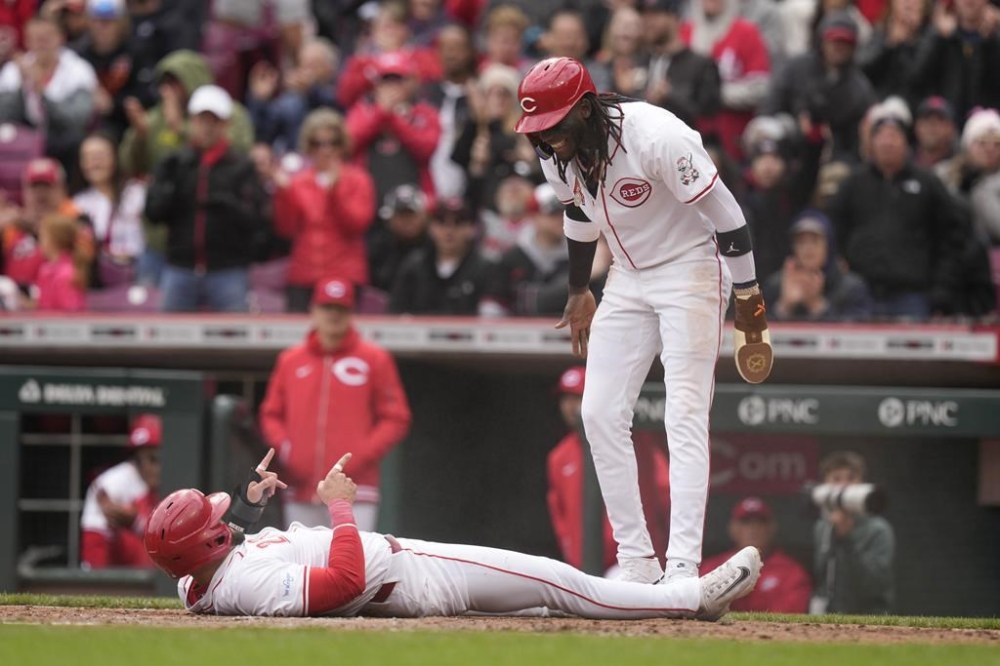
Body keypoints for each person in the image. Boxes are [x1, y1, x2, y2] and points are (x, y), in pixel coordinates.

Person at [514, 57, 773, 585]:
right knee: (599, 413)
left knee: (683, 413)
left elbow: (728, 216)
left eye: (553, 124)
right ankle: (637, 563)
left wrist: (748, 295)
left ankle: (682, 566)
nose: (545, 138)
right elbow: (580, 214)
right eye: (536, 129)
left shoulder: (657, 136)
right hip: (629, 275)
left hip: (692, 266)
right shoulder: (556, 153)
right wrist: (579, 287)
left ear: (585, 108)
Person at [144, 448, 763, 619]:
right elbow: (340, 585)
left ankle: (674, 602)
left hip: (403, 569)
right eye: (217, 522)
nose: (225, 522)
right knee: (556, 581)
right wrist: (340, 506)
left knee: (546, 603)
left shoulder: (199, 580)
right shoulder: (246, 583)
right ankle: (688, 597)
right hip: (406, 580)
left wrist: (250, 508)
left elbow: (230, 556)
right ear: (207, 545)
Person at [259, 276, 412, 532]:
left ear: (351, 312)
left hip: (354, 486)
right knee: (304, 565)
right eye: (327, 307)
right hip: (301, 485)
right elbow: (270, 414)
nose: (333, 315)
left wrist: (362, 452)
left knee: (356, 562)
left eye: (341, 308)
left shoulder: (374, 358)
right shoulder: (291, 360)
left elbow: (396, 417)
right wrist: (287, 449)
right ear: (314, 310)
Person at [827, 109, 967, 319]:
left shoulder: (927, 184)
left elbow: (951, 239)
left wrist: (941, 292)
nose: (887, 142)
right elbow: (832, 231)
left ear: (906, 142)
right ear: (871, 144)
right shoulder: (853, 185)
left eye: (893, 135)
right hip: (860, 292)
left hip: (912, 295)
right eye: (881, 135)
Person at [144, 85, 269, 312]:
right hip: (180, 265)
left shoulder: (241, 167)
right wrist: (172, 192)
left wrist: (226, 205)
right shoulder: (175, 163)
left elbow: (257, 219)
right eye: (202, 120)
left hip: (227, 268)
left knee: (236, 339)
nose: (207, 128)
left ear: (226, 124)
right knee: (167, 340)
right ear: (191, 121)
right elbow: (153, 213)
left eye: (214, 121)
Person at [546, 367, 670, 575]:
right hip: (582, 567)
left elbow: (666, 496)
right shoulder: (559, 456)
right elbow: (559, 514)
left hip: (629, 562)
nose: (571, 406)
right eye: (566, 398)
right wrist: (572, 556)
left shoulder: (634, 443)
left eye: (578, 397)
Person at [272, 109, 376, 312]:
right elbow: (286, 229)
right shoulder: (299, 182)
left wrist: (335, 193)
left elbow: (357, 224)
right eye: (317, 144)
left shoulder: (358, 180)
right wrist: (284, 195)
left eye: (333, 143)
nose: (325, 150)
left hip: (344, 274)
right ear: (308, 147)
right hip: (304, 275)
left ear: (343, 145)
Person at [0, 15, 97, 169]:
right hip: (23, 137)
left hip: (61, 139)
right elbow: (3, 116)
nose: (41, 44)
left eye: (46, 38)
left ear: (61, 38)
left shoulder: (78, 70)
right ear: (27, 41)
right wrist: (21, 88)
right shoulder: (14, 70)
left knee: (74, 140)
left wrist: (41, 92)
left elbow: (77, 120)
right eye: (36, 39)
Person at [811, 451, 895, 614]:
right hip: (829, 617)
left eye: (851, 478)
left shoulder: (878, 529)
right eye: (836, 479)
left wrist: (847, 537)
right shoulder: (822, 526)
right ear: (825, 485)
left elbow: (874, 584)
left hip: (869, 618)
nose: (844, 486)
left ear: (862, 483)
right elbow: (821, 576)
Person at [701, 497, 811, 613]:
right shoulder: (713, 567)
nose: (753, 528)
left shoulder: (791, 572)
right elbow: (699, 607)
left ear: (771, 528)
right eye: (745, 522)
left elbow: (792, 614)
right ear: (732, 528)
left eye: (760, 522)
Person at [80, 413, 161, 569]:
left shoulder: (183, 483)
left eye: (160, 458)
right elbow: (94, 552)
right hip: (126, 577)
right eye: (151, 459)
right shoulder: (110, 485)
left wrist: (135, 522)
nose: (156, 468)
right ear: (136, 459)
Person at [388, 197, 493, 315]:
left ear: (471, 229)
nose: (449, 230)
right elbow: (395, 311)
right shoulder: (415, 266)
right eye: (442, 221)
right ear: (432, 227)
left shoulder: (484, 268)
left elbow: (490, 316)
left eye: (458, 222)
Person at [762, 211, 874, 321]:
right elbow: (756, 332)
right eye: (801, 242)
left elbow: (858, 334)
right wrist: (784, 306)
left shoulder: (852, 289)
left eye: (814, 241)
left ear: (829, 246)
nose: (808, 248)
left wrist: (817, 305)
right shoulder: (775, 285)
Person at [73, 132, 147, 288]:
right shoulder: (78, 203)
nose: (95, 163)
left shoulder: (137, 193)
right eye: (88, 157)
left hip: (140, 267)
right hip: (99, 275)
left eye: (100, 156)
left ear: (115, 157)